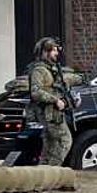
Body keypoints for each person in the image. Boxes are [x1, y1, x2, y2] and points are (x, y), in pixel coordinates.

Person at [24, 36, 73, 167]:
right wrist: (55, 100)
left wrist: (69, 102)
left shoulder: (51, 69)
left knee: (49, 146)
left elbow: (57, 88)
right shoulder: (39, 70)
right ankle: (52, 170)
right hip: (47, 113)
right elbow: (36, 92)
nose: (57, 53)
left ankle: (44, 172)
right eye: (54, 50)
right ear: (45, 52)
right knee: (64, 140)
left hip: (53, 114)